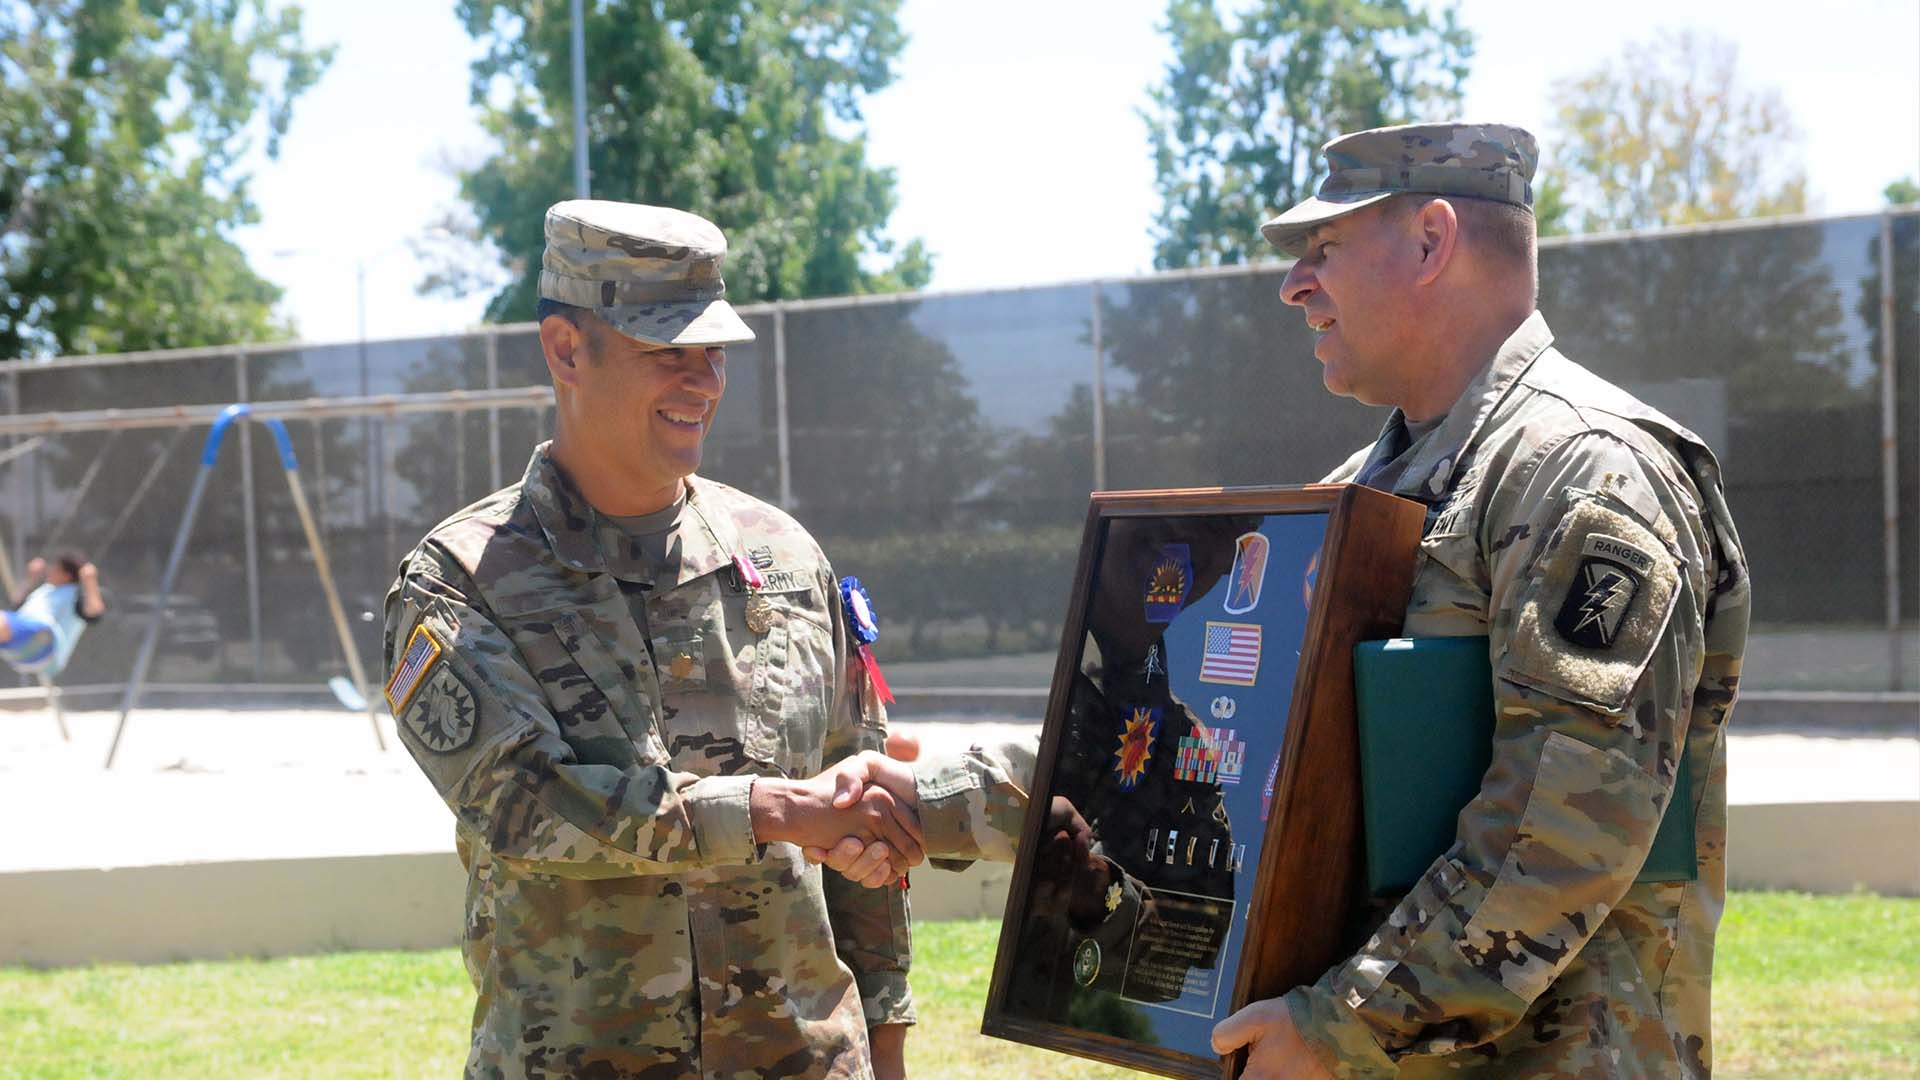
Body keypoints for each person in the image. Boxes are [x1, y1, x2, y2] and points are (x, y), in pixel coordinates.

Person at [820, 122, 1751, 1080]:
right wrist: (928, 798)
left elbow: (1564, 834)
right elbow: (1202, 749)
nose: (1294, 283)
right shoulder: (1368, 489)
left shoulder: (1590, 476)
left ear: (1433, 241)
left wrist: (1345, 1027)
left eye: (1325, 250)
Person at [383, 200, 923, 1080]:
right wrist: (775, 809)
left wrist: (888, 1039)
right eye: (666, 351)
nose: (703, 381)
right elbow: (527, 808)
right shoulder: (462, 581)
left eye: (714, 352)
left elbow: (863, 801)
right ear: (566, 350)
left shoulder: (786, 558)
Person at [0, 552, 107, 678]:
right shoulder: (45, 590)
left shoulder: (74, 595)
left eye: (55, 568)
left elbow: (95, 613)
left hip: (45, 643)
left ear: (66, 575)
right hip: (19, 650)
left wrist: (90, 581)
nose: (50, 570)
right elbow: (16, 606)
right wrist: (31, 578)